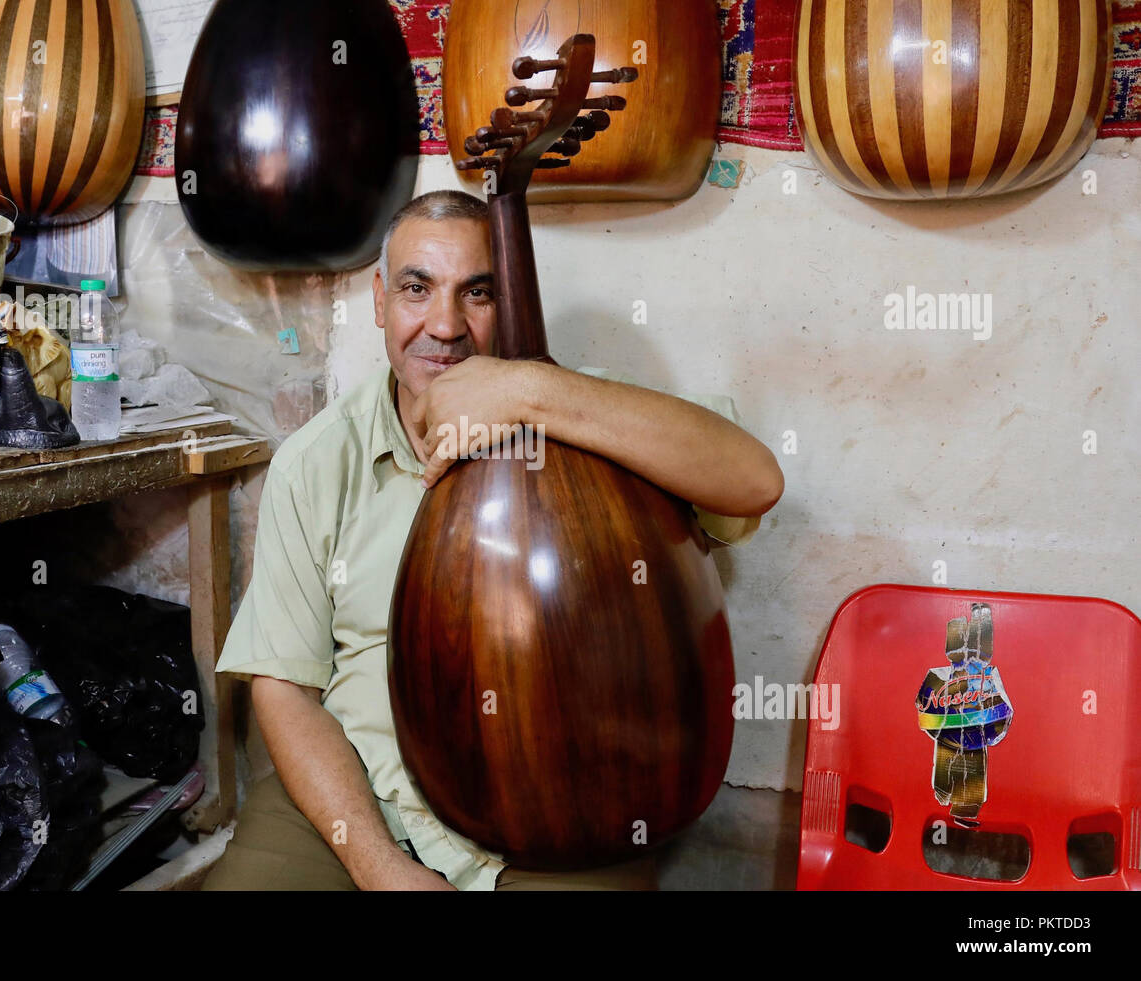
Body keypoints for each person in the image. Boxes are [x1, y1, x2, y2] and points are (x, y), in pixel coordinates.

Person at [203, 190, 784, 891]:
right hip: (365, 792)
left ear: (510, 303)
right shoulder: (318, 460)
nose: (444, 325)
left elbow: (753, 479)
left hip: (557, 814)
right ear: (381, 301)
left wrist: (533, 397)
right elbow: (286, 689)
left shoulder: (591, 414)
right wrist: (379, 866)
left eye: (477, 293)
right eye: (417, 289)